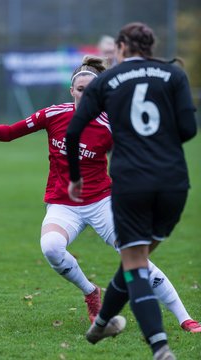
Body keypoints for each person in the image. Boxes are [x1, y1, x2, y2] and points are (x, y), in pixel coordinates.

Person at [0, 55, 199, 336]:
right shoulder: (54, 114)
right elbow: (10, 133)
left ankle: (185, 318)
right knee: (51, 247)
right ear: (72, 91)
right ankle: (91, 292)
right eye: (80, 90)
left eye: (91, 90)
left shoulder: (110, 125)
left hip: (102, 203)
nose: (85, 94)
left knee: (137, 258)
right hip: (63, 204)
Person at [66, 24, 197, 359]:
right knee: (134, 258)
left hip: (131, 182)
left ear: (122, 47)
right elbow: (188, 129)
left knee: (135, 262)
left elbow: (75, 128)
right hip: (173, 183)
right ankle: (103, 323)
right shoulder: (174, 74)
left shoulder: (108, 79)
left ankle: (160, 347)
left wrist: (76, 176)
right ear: (151, 48)